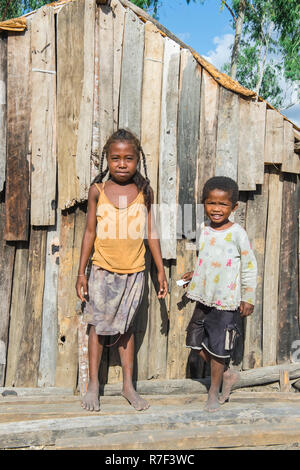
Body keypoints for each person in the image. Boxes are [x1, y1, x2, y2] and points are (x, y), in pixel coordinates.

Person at [76, 129, 168, 412]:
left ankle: (129, 385)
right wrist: (81, 272)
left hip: (135, 272)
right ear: (107, 159)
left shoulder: (144, 192)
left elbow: (151, 232)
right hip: (103, 270)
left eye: (129, 158)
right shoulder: (98, 191)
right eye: (115, 158)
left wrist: (161, 271)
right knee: (98, 328)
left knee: (126, 329)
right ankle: (94, 384)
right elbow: (90, 232)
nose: (122, 164)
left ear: (138, 160)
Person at [181, 176, 257, 412]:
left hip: (227, 302)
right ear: (204, 203)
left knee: (218, 348)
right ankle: (226, 374)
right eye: (211, 203)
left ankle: (213, 391)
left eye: (223, 204)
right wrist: (195, 273)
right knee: (194, 340)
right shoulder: (202, 229)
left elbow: (249, 266)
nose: (216, 208)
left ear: (234, 207)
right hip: (204, 298)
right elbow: (207, 259)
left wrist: (248, 297)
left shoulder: (237, 233)